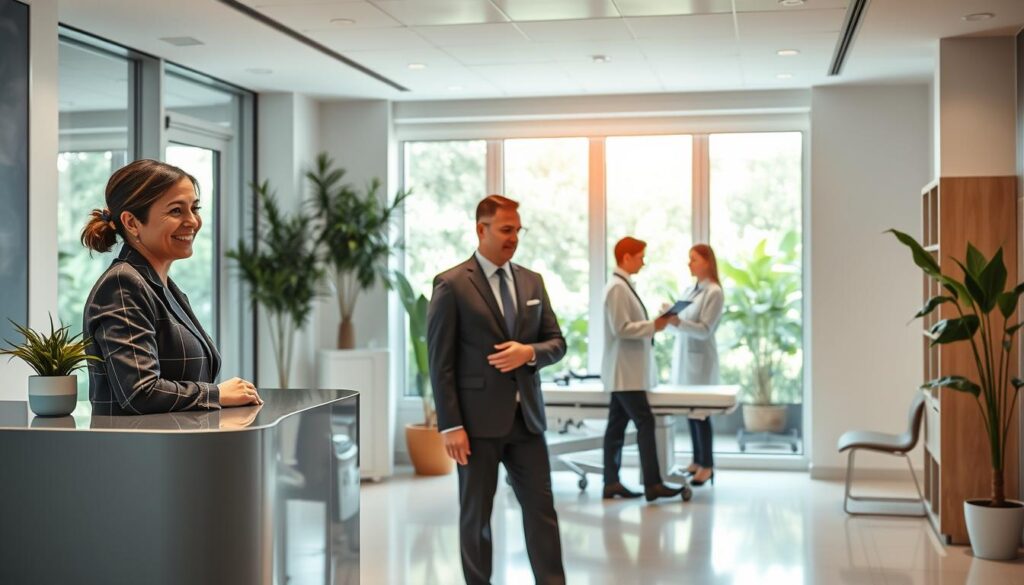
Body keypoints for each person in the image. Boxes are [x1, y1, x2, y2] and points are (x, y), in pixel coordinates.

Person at [427, 194, 566, 585]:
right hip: (474, 427)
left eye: (518, 230)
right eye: (506, 230)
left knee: (542, 512)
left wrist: (529, 352)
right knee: (476, 519)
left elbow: (557, 343)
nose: (514, 238)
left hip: (527, 422)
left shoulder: (532, 281)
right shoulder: (452, 284)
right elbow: (441, 363)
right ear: (481, 229)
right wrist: (451, 424)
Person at [81, 159, 261, 415]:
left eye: (194, 208)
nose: (193, 221)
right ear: (132, 223)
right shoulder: (122, 285)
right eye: (176, 211)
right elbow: (139, 392)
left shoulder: (161, 286)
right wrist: (217, 393)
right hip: (137, 441)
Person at [601, 236, 685, 502]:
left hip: (627, 373)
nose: (643, 262)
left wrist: (654, 325)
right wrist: (654, 325)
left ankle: (611, 482)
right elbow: (620, 328)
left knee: (616, 427)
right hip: (625, 373)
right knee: (645, 422)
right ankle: (653, 483)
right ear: (626, 257)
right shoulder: (617, 288)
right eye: (640, 257)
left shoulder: (623, 286)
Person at [668, 244, 725, 487]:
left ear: (707, 262)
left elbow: (704, 330)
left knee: (701, 414)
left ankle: (707, 466)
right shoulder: (690, 290)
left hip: (701, 363)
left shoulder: (714, 292)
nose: (689, 263)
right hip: (685, 359)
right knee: (691, 412)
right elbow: (679, 325)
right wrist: (669, 319)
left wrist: (678, 323)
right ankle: (696, 461)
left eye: (694, 259)